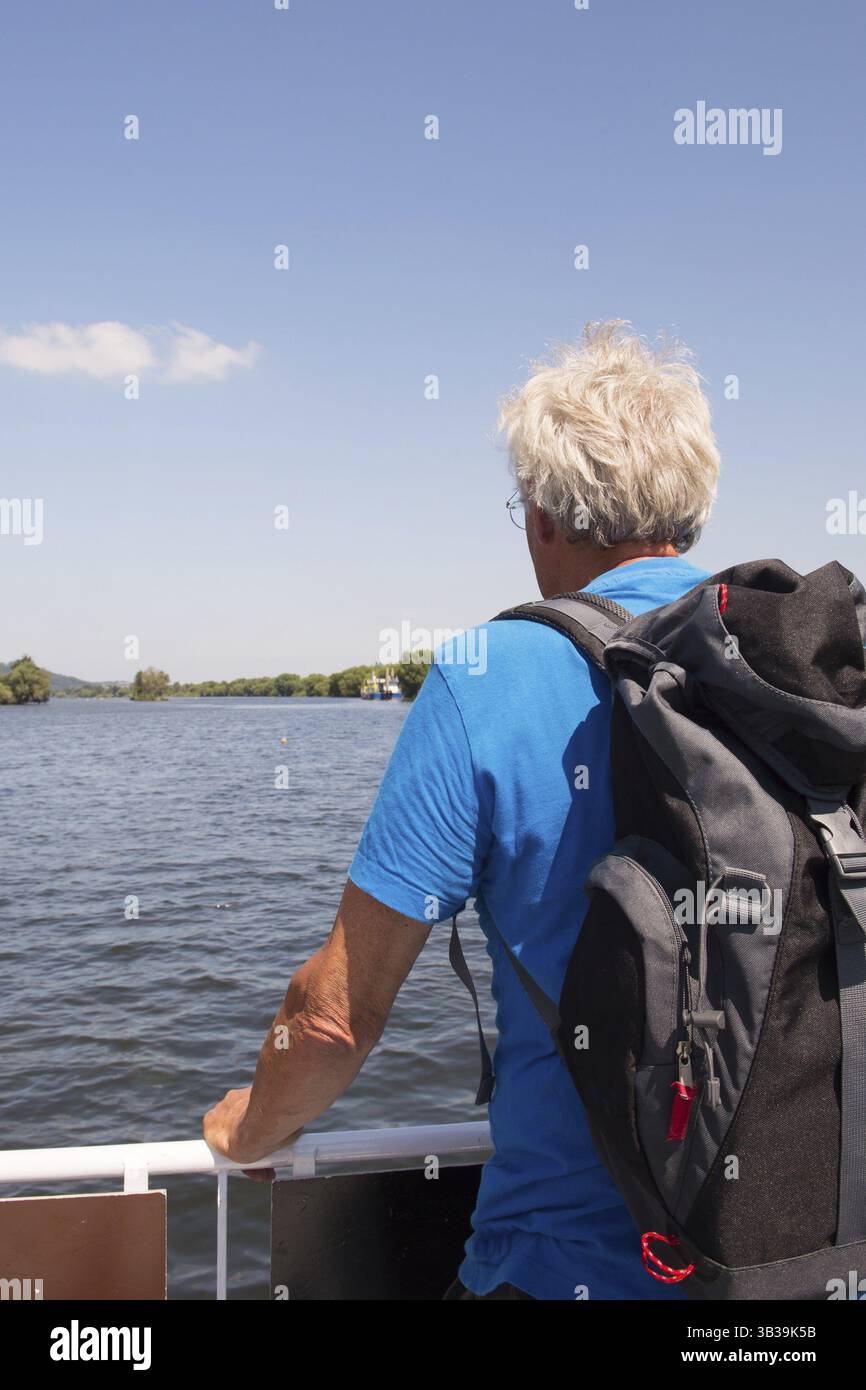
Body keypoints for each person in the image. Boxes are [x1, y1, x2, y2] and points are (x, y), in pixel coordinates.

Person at [203, 320, 721, 1300]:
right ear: (687, 510)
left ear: (538, 515)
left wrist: (245, 1131)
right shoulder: (802, 669)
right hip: (801, 1272)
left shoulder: (488, 674)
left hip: (566, 1269)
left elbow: (330, 1018)